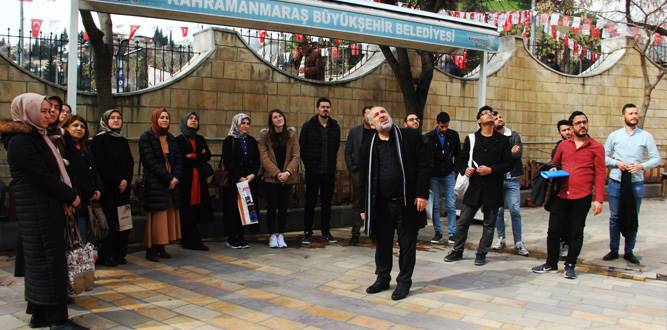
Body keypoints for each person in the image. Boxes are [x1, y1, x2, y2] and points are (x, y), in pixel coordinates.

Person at [7, 93, 85, 329]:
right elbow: (42, 177)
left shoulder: (37, 136)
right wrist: (71, 196)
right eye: (42, 110)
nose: (48, 114)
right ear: (27, 112)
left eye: (49, 109)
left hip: (44, 208)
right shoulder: (21, 141)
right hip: (39, 210)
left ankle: (39, 314)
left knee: (42, 263)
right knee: (50, 264)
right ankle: (58, 320)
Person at [361, 106, 431, 301]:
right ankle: (382, 277)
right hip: (381, 205)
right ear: (372, 124)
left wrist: (422, 194)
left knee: (407, 245)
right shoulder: (370, 143)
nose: (382, 115)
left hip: (407, 202)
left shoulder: (409, 136)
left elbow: (424, 166)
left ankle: (404, 282)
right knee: (382, 243)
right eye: (377, 115)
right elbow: (363, 177)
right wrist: (362, 207)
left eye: (383, 112)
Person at [532, 111, 605, 279]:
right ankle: (550, 263)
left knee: (576, 232)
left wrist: (598, 199)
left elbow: (600, 174)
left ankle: (570, 265)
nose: (582, 125)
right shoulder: (563, 146)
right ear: (572, 127)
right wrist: (553, 168)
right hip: (561, 195)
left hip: (582, 196)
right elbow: (555, 162)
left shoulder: (596, 147)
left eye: (584, 122)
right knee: (554, 230)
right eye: (578, 123)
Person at [444, 106, 512, 266]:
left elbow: (509, 164)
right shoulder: (471, 139)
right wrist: (464, 169)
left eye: (491, 113)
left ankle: (482, 253)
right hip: (474, 187)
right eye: (484, 113)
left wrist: (491, 169)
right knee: (463, 221)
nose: (489, 114)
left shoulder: (503, 140)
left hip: (493, 188)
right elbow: (460, 159)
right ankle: (457, 250)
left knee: (489, 224)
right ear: (479, 120)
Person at [603, 104, 660, 265]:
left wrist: (641, 166)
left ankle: (629, 251)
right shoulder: (614, 136)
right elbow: (603, 157)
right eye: (631, 113)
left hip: (636, 183)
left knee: (633, 217)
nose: (634, 116)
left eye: (636, 113)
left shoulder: (646, 136)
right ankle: (614, 250)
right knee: (615, 217)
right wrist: (616, 163)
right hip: (616, 181)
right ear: (623, 116)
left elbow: (656, 158)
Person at [92, 109, 134, 267]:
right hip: (108, 189)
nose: (116, 120)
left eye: (119, 118)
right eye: (112, 118)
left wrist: (125, 180)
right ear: (105, 120)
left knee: (123, 223)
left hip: (123, 189)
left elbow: (129, 163)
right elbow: (101, 164)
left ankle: (120, 253)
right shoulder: (99, 140)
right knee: (109, 223)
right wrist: (117, 180)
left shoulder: (122, 140)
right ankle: (107, 255)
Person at [139, 108, 183, 262]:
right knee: (156, 215)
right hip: (155, 181)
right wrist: (168, 178)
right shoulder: (146, 137)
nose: (164, 120)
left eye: (167, 117)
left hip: (171, 181)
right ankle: (151, 249)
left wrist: (175, 177)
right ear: (155, 119)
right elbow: (150, 161)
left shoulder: (171, 138)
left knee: (167, 213)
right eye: (162, 117)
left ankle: (162, 246)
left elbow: (178, 159)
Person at [299, 97, 341, 244]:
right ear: (317, 109)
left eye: (328, 107)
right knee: (310, 202)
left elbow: (335, 147)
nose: (325, 109)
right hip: (313, 172)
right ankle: (307, 232)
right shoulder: (308, 126)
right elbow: (302, 148)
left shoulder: (335, 126)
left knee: (326, 203)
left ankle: (326, 232)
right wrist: (309, 165)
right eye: (323, 107)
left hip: (328, 172)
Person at [258, 109, 300, 248]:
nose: (278, 119)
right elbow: (264, 158)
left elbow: (296, 156)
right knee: (272, 207)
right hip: (271, 178)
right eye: (275, 117)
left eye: (280, 116)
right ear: (271, 121)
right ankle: (272, 235)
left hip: (287, 178)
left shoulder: (291, 135)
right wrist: (277, 173)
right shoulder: (265, 136)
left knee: (283, 207)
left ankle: (281, 234)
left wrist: (287, 172)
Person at [491, 111, 529, 256]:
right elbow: (493, 157)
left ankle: (519, 242)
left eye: (500, 117)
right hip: (498, 179)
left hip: (512, 178)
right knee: (499, 211)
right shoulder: (492, 138)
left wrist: (502, 156)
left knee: (515, 210)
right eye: (496, 118)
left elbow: (517, 154)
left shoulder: (514, 135)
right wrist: (508, 154)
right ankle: (501, 238)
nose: (499, 119)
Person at [62, 115, 103, 243]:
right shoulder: (64, 146)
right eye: (75, 125)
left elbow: (94, 171)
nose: (79, 129)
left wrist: (98, 189)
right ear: (66, 128)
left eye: (82, 126)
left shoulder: (86, 148)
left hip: (88, 199)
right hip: (73, 197)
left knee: (85, 234)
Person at [174, 112, 212, 251]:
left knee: (196, 210)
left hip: (199, 180)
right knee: (186, 210)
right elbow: (180, 159)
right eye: (190, 118)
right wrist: (197, 156)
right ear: (184, 121)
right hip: (186, 181)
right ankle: (191, 241)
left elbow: (207, 155)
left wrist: (193, 157)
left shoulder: (200, 139)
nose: (194, 121)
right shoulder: (178, 140)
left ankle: (191, 240)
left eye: (196, 119)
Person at [222, 113, 260, 249]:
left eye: (247, 123)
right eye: (242, 123)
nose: (245, 126)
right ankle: (232, 237)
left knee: (247, 209)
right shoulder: (230, 140)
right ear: (237, 124)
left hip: (249, 181)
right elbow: (228, 162)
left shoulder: (251, 140)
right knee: (234, 210)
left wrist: (252, 175)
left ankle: (241, 236)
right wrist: (239, 177)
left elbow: (257, 160)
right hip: (235, 181)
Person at [423, 111, 460, 244]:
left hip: (448, 172)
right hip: (434, 174)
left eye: (446, 126)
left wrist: (455, 170)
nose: (444, 129)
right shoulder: (429, 137)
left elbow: (458, 154)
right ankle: (437, 232)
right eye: (442, 126)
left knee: (451, 203)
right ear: (437, 123)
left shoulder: (453, 135)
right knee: (436, 205)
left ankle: (452, 233)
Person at [344, 106, 372, 245]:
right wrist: (352, 169)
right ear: (363, 116)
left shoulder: (378, 131)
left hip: (374, 173)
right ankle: (355, 233)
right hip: (358, 173)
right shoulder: (355, 132)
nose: (369, 116)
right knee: (358, 203)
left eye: (371, 114)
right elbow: (347, 151)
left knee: (374, 201)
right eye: (367, 113)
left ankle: (373, 231)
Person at [552, 119, 573, 257]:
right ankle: (561, 242)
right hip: (561, 187)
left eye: (568, 129)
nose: (567, 133)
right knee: (561, 219)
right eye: (563, 130)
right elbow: (554, 163)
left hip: (577, 188)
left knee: (572, 219)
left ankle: (569, 243)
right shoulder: (558, 147)